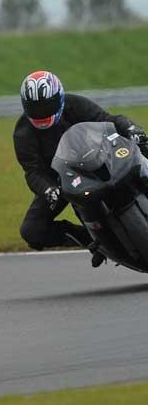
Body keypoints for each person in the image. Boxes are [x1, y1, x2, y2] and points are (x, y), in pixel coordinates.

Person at [13, 70, 147, 267]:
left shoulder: (75, 104)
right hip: (62, 180)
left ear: (59, 97)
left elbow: (107, 119)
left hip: (100, 157)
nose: (42, 112)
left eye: (47, 106)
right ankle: (90, 240)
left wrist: (131, 128)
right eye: (35, 108)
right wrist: (48, 190)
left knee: (142, 146)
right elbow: (33, 172)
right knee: (32, 231)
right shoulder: (23, 133)